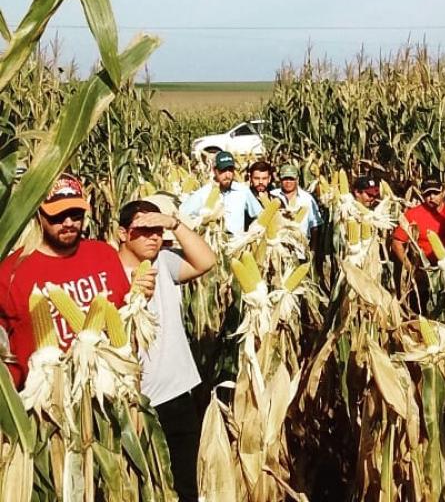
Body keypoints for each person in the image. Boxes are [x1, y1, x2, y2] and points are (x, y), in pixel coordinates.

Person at [0, 174, 152, 387]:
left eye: (76, 214)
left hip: (110, 385)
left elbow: (123, 320)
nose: (69, 223)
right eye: (58, 216)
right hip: (50, 396)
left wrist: (140, 297)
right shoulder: (10, 273)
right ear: (38, 214)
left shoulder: (104, 254)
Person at [117, 197, 216, 502]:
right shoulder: (106, 271)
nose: (153, 237)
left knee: (185, 486)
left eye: (158, 231)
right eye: (143, 230)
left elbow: (206, 261)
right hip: (134, 402)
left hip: (177, 393)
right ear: (122, 234)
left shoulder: (164, 262)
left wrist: (173, 223)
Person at [179, 151, 261, 233]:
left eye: (230, 170)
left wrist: (251, 233)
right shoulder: (203, 193)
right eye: (223, 170)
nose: (227, 175)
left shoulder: (243, 191)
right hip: (212, 239)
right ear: (214, 170)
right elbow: (182, 215)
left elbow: (260, 215)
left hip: (237, 239)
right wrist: (200, 222)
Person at [392, 178, 445, 265]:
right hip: (424, 268)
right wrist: (409, 267)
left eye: (436, 193)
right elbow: (396, 243)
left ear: (443, 193)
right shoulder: (412, 214)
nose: (432, 197)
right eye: (427, 194)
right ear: (422, 194)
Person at [270, 163, 323, 247]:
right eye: (285, 179)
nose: (288, 182)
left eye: (291, 179)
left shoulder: (307, 199)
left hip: (301, 245)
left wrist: (313, 250)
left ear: (297, 179)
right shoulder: (272, 195)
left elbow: (315, 226)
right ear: (280, 179)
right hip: (277, 246)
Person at [245, 159, 276, 229]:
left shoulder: (277, 198)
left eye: (264, 178)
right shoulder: (244, 199)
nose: (260, 182)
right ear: (250, 178)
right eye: (256, 178)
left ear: (269, 179)